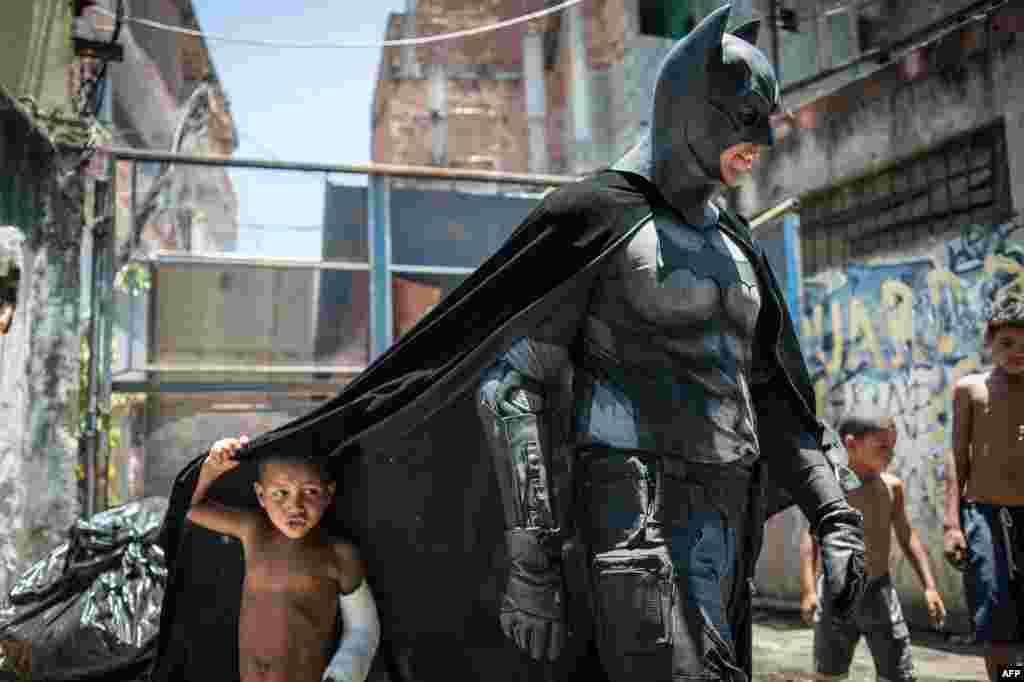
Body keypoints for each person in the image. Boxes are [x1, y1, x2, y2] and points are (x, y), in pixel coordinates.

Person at [152, 5, 865, 681]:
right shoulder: (597, 217)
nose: (762, 141)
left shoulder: (737, 248)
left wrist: (833, 514)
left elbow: (773, 394)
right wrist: (531, 564)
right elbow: (511, 383)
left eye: (764, 119)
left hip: (723, 512)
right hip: (630, 510)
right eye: (743, 120)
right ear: (686, 108)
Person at [187, 435, 380, 682]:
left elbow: (364, 630)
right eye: (280, 493)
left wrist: (344, 675)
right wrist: (211, 469)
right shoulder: (254, 530)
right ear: (260, 495)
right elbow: (189, 508)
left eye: (310, 491)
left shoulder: (339, 554)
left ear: (329, 493)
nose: (295, 506)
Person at [799, 409, 946, 682]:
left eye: (892, 446)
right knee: (828, 673)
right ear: (851, 444)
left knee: (898, 672)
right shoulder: (829, 489)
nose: (890, 453)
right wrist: (808, 590)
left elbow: (906, 536)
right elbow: (811, 539)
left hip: (879, 591)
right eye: (882, 447)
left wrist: (930, 586)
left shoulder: (892, 488)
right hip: (835, 595)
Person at [944, 290, 1024, 681]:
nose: (1017, 352)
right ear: (990, 343)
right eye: (1007, 343)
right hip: (985, 517)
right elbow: (957, 456)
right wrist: (952, 524)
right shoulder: (971, 389)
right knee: (994, 620)